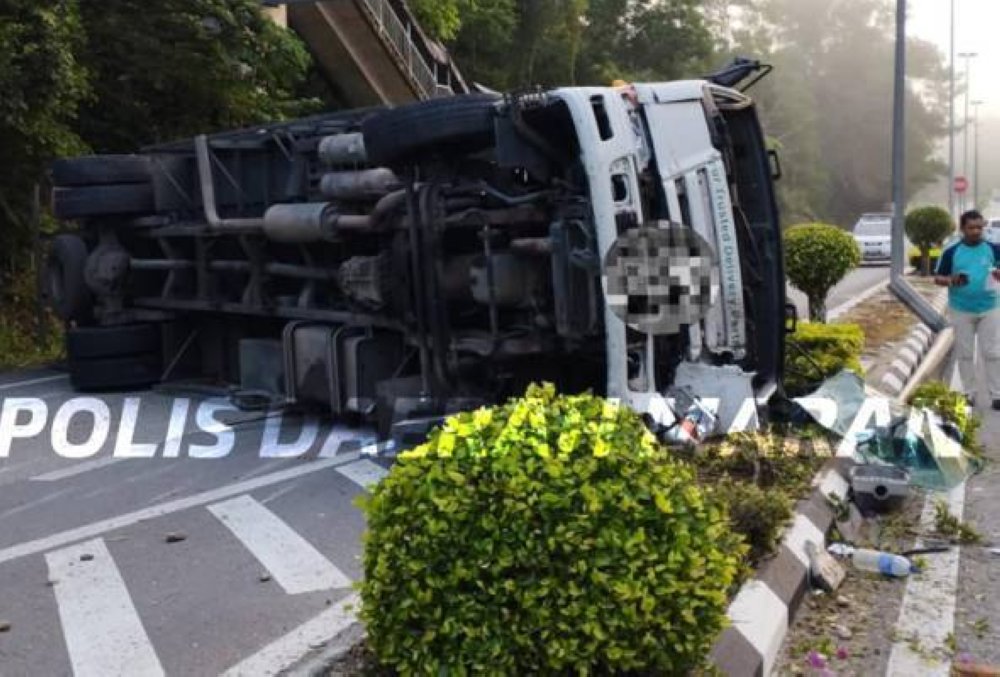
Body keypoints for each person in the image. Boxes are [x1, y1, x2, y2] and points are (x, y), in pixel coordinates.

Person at [934, 210, 1000, 408]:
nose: (976, 231)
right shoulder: (952, 252)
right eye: (971, 228)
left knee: (992, 352)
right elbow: (938, 278)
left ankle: (996, 394)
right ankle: (969, 393)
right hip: (961, 309)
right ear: (963, 229)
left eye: (980, 227)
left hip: (990, 307)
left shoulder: (994, 249)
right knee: (965, 353)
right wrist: (952, 280)